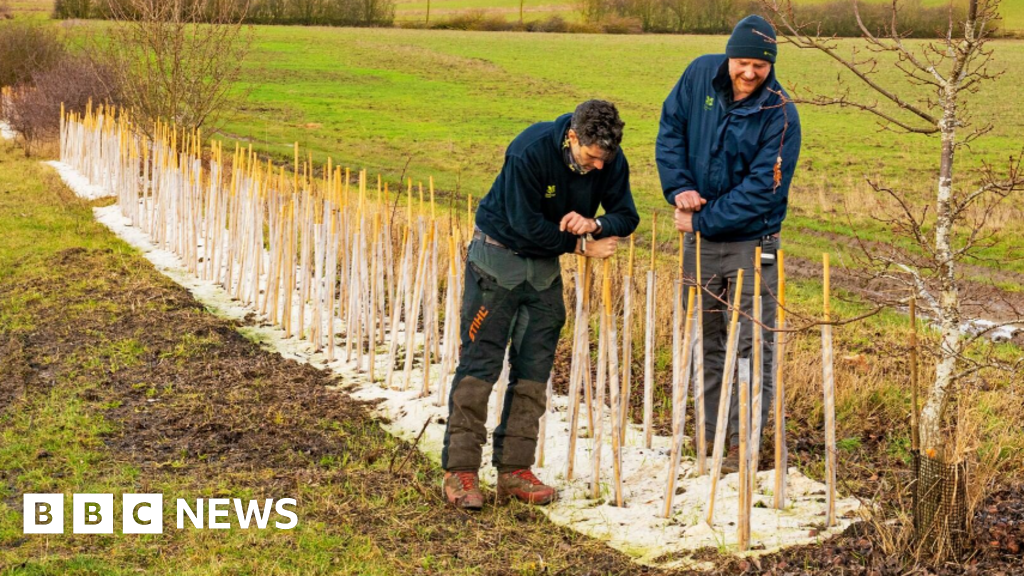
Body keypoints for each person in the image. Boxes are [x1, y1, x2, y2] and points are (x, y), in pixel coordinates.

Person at [442, 100, 639, 510]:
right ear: (572, 136)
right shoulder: (529, 151)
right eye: (591, 157)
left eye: (606, 159)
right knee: (480, 366)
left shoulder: (608, 160)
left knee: (534, 371)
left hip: (544, 272)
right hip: (497, 261)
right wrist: (580, 245)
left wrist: (596, 223)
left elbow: (627, 214)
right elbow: (523, 223)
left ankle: (514, 470)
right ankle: (460, 471)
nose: (599, 167)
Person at [656, 15, 801, 474]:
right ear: (728, 56)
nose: (750, 73)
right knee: (704, 341)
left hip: (751, 244)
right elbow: (670, 132)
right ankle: (711, 437)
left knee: (751, 346)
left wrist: (699, 220)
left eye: (760, 65)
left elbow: (765, 190)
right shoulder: (699, 73)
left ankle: (745, 447)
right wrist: (678, 186)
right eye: (743, 62)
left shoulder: (779, 113)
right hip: (699, 245)